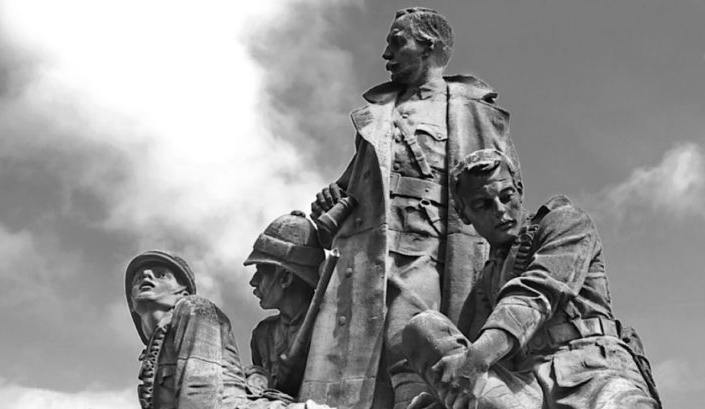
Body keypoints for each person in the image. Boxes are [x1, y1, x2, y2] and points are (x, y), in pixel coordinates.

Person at [305, 8, 519, 409]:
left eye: (396, 42)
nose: (386, 54)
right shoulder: (380, 113)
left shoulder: (474, 109)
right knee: (355, 355)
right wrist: (333, 197)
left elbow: (507, 190)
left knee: (410, 337)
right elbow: (358, 179)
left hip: (432, 246)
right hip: (370, 247)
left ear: (428, 45)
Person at [402, 149, 660, 409]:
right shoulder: (487, 279)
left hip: (594, 372)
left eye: (507, 197)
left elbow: (538, 290)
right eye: (483, 205)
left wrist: (478, 357)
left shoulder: (565, 222)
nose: (500, 210)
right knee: (423, 328)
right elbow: (465, 351)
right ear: (463, 213)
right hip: (524, 388)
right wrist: (443, 394)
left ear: (519, 190)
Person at [125, 249, 329, 409]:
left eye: (161, 275)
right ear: (132, 304)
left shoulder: (194, 308)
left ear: (184, 293)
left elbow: (199, 392)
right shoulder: (155, 348)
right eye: (137, 279)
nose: (146, 277)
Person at [244, 211, 326, 400]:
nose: (253, 282)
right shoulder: (262, 336)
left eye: (261, 272)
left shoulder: (328, 326)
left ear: (286, 278)